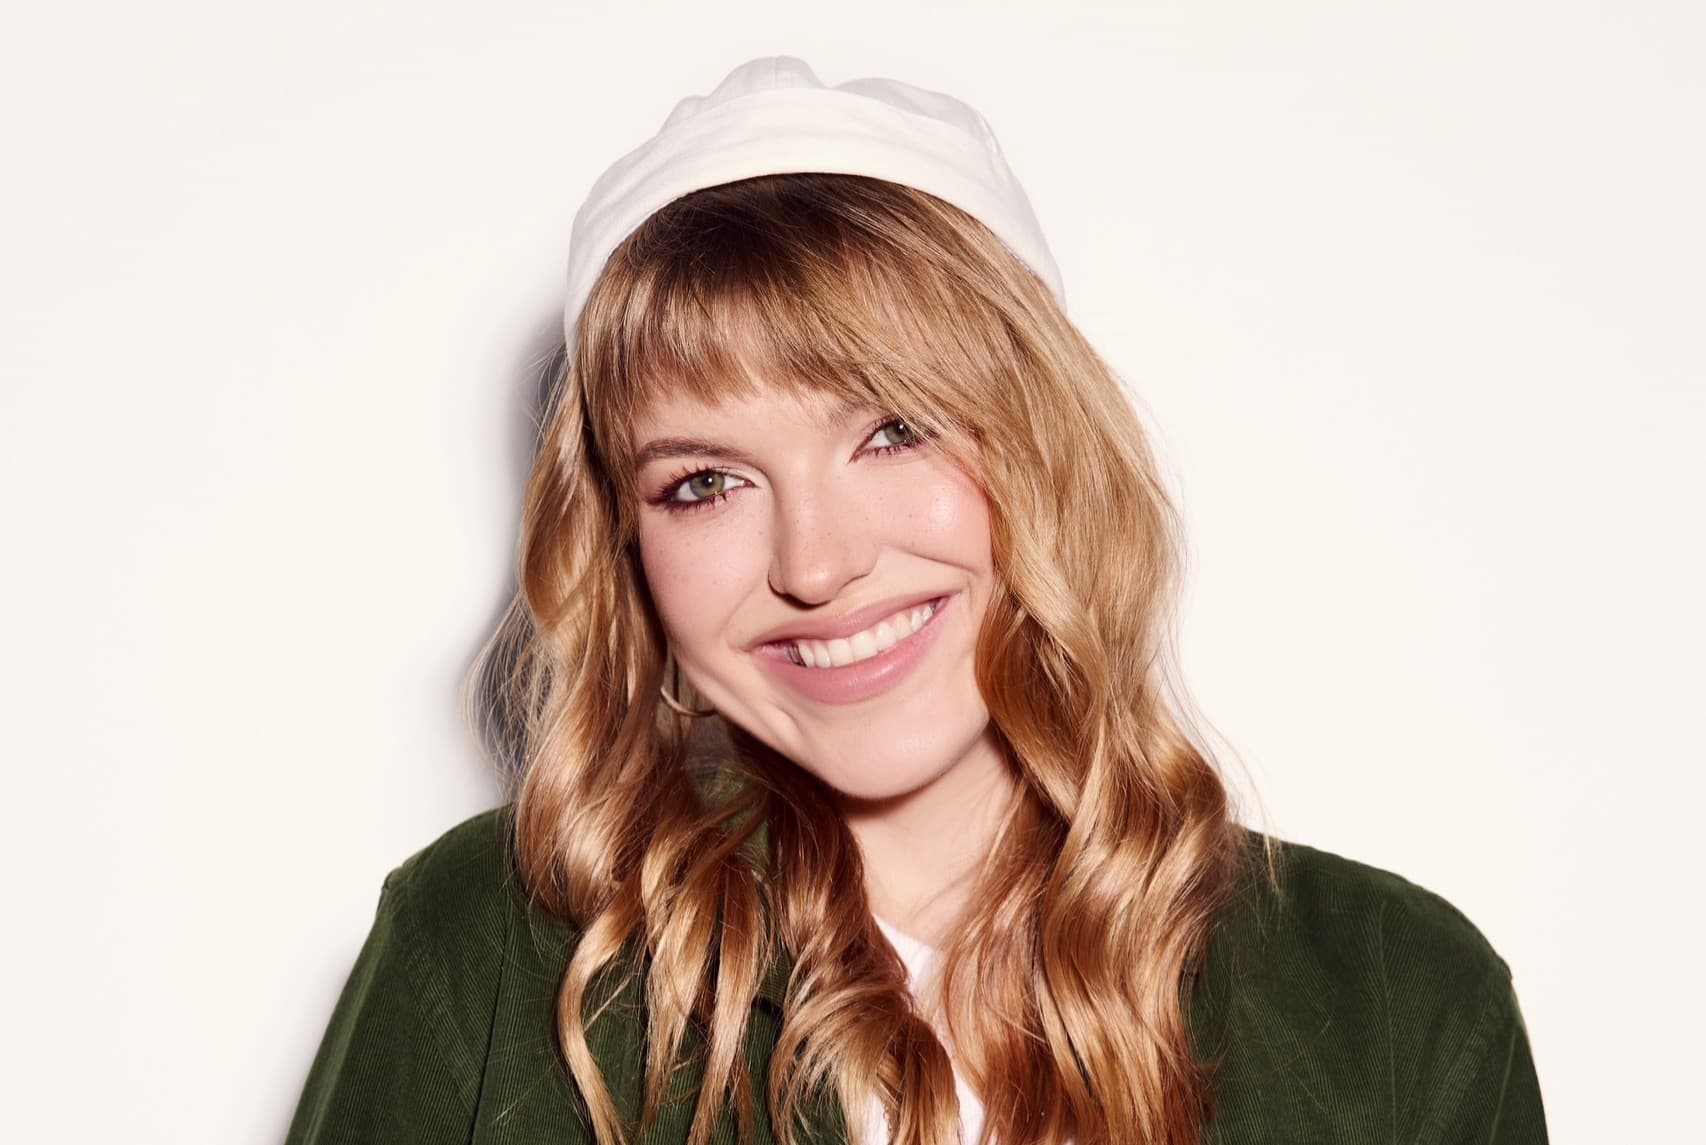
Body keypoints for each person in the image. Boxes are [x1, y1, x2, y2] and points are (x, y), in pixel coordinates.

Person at [284, 57, 1548, 1145]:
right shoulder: (489, 950)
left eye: (893, 428)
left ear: (1047, 452)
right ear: (624, 545)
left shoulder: (1395, 1000)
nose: (816, 561)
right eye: (704, 482)